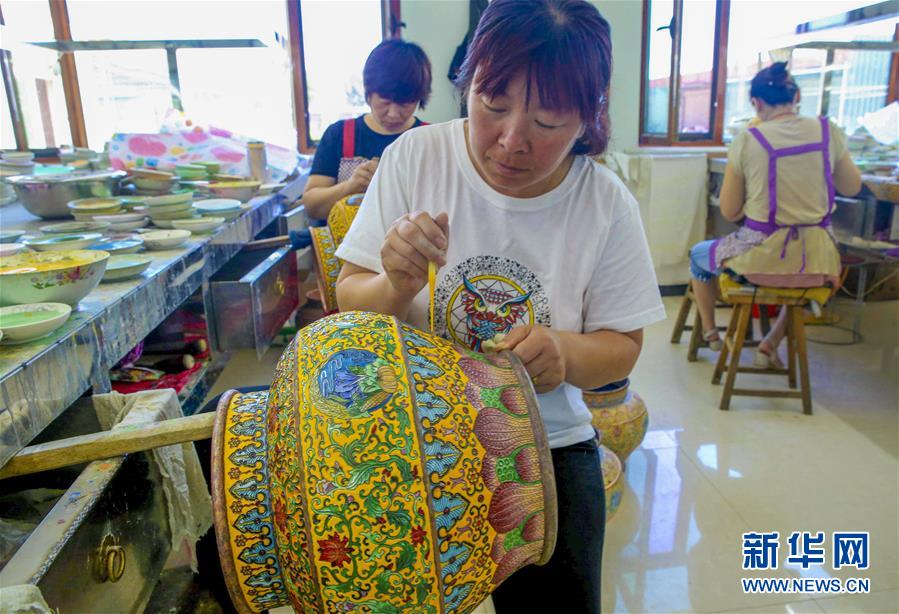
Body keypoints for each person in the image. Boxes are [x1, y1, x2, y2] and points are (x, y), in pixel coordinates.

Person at [334, 1, 666, 611]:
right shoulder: (415, 157)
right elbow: (350, 299)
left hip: (544, 448)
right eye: (493, 105)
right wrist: (395, 284)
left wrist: (563, 352)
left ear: (587, 118)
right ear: (469, 83)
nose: (512, 141)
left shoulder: (605, 203)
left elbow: (622, 349)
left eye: (548, 121)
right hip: (402, 438)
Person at [689, 62, 861, 366]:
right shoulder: (827, 130)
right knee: (800, 286)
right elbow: (851, 186)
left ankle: (711, 332)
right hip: (817, 261)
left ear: (756, 103)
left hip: (760, 259)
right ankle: (770, 344)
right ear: (796, 97)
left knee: (699, 256)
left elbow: (730, 211)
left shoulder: (748, 139)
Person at [301, 39, 432, 220]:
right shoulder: (339, 134)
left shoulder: (429, 140)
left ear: (419, 97)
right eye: (385, 102)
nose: (393, 114)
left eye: (405, 104)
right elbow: (311, 206)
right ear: (368, 92)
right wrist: (351, 186)